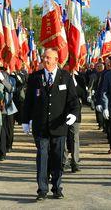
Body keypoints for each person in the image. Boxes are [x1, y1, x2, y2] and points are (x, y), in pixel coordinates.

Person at [22, 48, 80, 200]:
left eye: (49, 57)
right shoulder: (35, 77)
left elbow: (73, 100)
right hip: (40, 126)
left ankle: (56, 187)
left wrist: (73, 115)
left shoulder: (65, 77)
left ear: (56, 59)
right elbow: (28, 101)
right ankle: (42, 189)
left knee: (57, 158)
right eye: (44, 57)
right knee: (42, 157)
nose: (45, 60)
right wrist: (25, 120)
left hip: (59, 126)